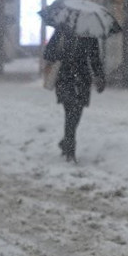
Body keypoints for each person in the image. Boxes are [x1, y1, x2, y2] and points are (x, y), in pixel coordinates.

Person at [43, 26, 105, 162]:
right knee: (70, 111)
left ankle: (66, 142)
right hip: (65, 78)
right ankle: (70, 151)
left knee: (76, 113)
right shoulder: (62, 31)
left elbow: (95, 58)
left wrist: (99, 77)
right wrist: (61, 54)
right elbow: (48, 53)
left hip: (82, 80)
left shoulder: (89, 35)